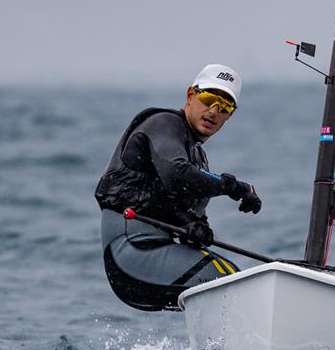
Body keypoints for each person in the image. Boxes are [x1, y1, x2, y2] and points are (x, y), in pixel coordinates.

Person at [95, 64, 261, 311]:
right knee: (229, 281)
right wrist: (234, 187)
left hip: (153, 256)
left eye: (225, 107)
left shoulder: (198, 157)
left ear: (230, 116)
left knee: (232, 279)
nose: (214, 111)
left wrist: (196, 228)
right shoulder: (163, 124)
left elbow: (177, 205)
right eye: (209, 99)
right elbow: (176, 174)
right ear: (190, 95)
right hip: (131, 251)